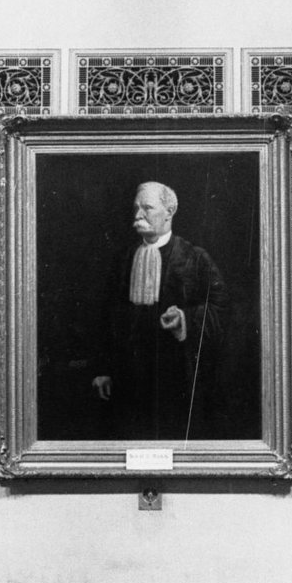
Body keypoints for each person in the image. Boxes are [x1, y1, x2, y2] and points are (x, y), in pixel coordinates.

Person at [91, 180, 227, 443]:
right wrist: (103, 369)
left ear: (169, 212)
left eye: (147, 208)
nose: (138, 215)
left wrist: (185, 319)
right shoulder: (123, 259)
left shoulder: (194, 258)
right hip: (127, 379)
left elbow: (222, 309)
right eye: (136, 208)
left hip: (176, 379)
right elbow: (106, 316)